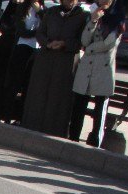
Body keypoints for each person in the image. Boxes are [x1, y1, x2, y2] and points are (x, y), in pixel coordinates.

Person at [21, 0, 88, 137]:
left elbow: (82, 40)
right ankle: (32, 126)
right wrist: (48, 43)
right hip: (46, 58)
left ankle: (54, 131)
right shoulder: (51, 12)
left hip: (66, 62)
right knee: (38, 93)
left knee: (59, 98)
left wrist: (65, 44)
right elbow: (40, 33)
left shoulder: (82, 16)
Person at [68, 0, 124, 147]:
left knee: (99, 109)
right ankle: (73, 138)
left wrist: (90, 48)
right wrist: (93, 20)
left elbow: (109, 43)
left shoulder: (118, 19)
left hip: (103, 69)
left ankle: (95, 143)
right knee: (79, 105)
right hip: (86, 67)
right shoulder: (92, 15)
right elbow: (84, 40)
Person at [0, 0, 43, 123]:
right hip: (22, 47)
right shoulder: (22, 8)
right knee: (14, 83)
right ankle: (6, 115)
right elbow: (22, 30)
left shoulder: (44, 11)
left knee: (28, 86)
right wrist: (37, 33)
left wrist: (40, 11)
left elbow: (47, 26)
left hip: (36, 50)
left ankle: (21, 118)